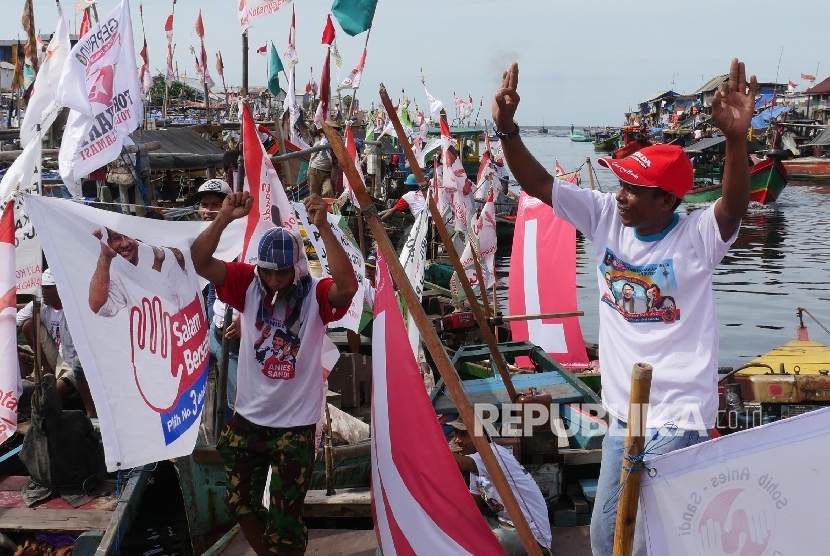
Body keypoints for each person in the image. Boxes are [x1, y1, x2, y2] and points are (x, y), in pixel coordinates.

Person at [492, 59, 756, 555]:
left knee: (641, 534)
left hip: (679, 414)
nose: (621, 196)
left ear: (666, 201)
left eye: (634, 189)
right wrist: (507, 129)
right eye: (621, 183)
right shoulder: (605, 217)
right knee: (609, 536)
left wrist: (736, 141)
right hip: (626, 415)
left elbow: (733, 205)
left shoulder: (697, 238)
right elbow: (538, 184)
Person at [190, 192, 358, 555]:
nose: (275, 279)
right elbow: (200, 261)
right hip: (248, 421)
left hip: (295, 428)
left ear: (296, 266)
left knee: (285, 521)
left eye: (282, 271)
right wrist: (223, 218)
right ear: (258, 267)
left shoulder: (316, 294)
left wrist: (324, 227)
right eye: (267, 270)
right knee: (240, 504)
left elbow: (347, 288)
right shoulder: (246, 283)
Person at [449, 420, 552, 555]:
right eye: (456, 434)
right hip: (502, 522)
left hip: (530, 532)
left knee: (488, 544)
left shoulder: (492, 453)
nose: (457, 440)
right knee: (458, 526)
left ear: (482, 437)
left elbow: (461, 464)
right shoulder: (475, 461)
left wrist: (432, 443)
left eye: (464, 435)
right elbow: (474, 507)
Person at [17, 269, 96, 418]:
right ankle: (45, 368)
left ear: (60, 288)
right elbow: (15, 321)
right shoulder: (40, 303)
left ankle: (69, 413)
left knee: (56, 391)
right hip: (57, 355)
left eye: (48, 287)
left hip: (76, 362)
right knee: (28, 325)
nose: (44, 291)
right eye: (43, 287)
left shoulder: (76, 307)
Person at [197, 178, 240, 421]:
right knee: (204, 389)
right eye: (205, 205)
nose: (209, 210)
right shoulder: (198, 234)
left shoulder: (239, 235)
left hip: (230, 326)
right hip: (210, 320)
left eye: (216, 204)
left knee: (234, 394)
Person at [308, 121, 340, 198]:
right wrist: (308, 173)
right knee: (314, 195)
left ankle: (326, 209)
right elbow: (312, 158)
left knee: (328, 192)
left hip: (328, 173)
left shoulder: (338, 144)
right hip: (315, 170)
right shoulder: (319, 144)